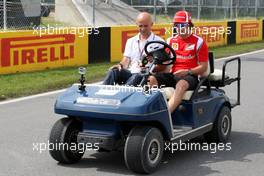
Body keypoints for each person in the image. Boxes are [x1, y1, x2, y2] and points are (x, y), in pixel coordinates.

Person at [148, 11, 209, 113]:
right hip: (173, 74)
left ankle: (166, 115)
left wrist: (187, 72)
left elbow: (204, 67)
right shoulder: (170, 41)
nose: (179, 28)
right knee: (151, 79)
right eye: (177, 25)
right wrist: (154, 60)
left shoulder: (199, 42)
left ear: (189, 24)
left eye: (182, 25)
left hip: (190, 75)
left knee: (181, 85)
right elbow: (164, 61)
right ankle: (149, 110)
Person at [103, 12, 164, 86]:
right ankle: (102, 94)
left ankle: (123, 94)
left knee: (138, 75)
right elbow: (126, 60)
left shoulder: (159, 42)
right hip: (131, 73)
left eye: (145, 26)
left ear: (151, 24)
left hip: (146, 75)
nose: (143, 29)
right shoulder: (131, 41)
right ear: (136, 25)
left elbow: (163, 66)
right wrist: (120, 65)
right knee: (114, 71)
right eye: (140, 26)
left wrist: (150, 68)